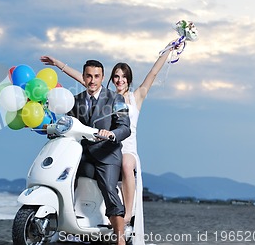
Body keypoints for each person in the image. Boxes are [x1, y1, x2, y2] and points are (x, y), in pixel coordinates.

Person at [40, 41, 178, 245]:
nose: (120, 80)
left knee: (125, 164)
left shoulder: (134, 97)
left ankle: (126, 215)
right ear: (111, 79)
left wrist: (170, 50)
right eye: (117, 76)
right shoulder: (100, 93)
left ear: (128, 79)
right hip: (97, 144)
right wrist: (58, 64)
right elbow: (82, 79)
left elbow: (153, 74)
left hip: (124, 144)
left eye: (123, 77)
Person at [65, 59, 131, 245]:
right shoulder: (75, 100)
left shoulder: (116, 99)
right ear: (84, 77)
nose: (92, 80)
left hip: (107, 154)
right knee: (64, 179)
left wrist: (111, 134)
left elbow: (125, 127)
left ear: (102, 78)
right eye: (88, 76)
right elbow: (68, 123)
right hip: (82, 154)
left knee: (109, 188)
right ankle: (66, 226)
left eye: (96, 76)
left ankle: (120, 238)